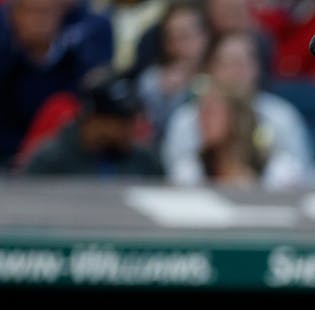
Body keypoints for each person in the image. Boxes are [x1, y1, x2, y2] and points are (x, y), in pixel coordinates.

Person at [161, 29, 315, 188]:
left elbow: (304, 180)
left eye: (242, 63)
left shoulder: (282, 118)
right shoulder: (186, 123)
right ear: (211, 68)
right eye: (228, 64)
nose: (235, 73)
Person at [0, 0, 114, 167]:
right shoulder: (6, 53)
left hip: (56, 161)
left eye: (46, 12)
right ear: (12, 16)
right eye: (31, 12)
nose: (39, 20)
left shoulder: (74, 56)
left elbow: (86, 96)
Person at [20, 65, 165, 177]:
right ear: (92, 120)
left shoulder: (145, 162)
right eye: (118, 121)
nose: (128, 129)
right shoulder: (51, 161)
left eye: (129, 119)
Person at [134, 0, 211, 141]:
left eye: (185, 36)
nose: (178, 46)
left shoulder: (221, 73)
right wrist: (168, 97)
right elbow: (149, 138)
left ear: (204, 36)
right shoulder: (152, 81)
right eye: (172, 39)